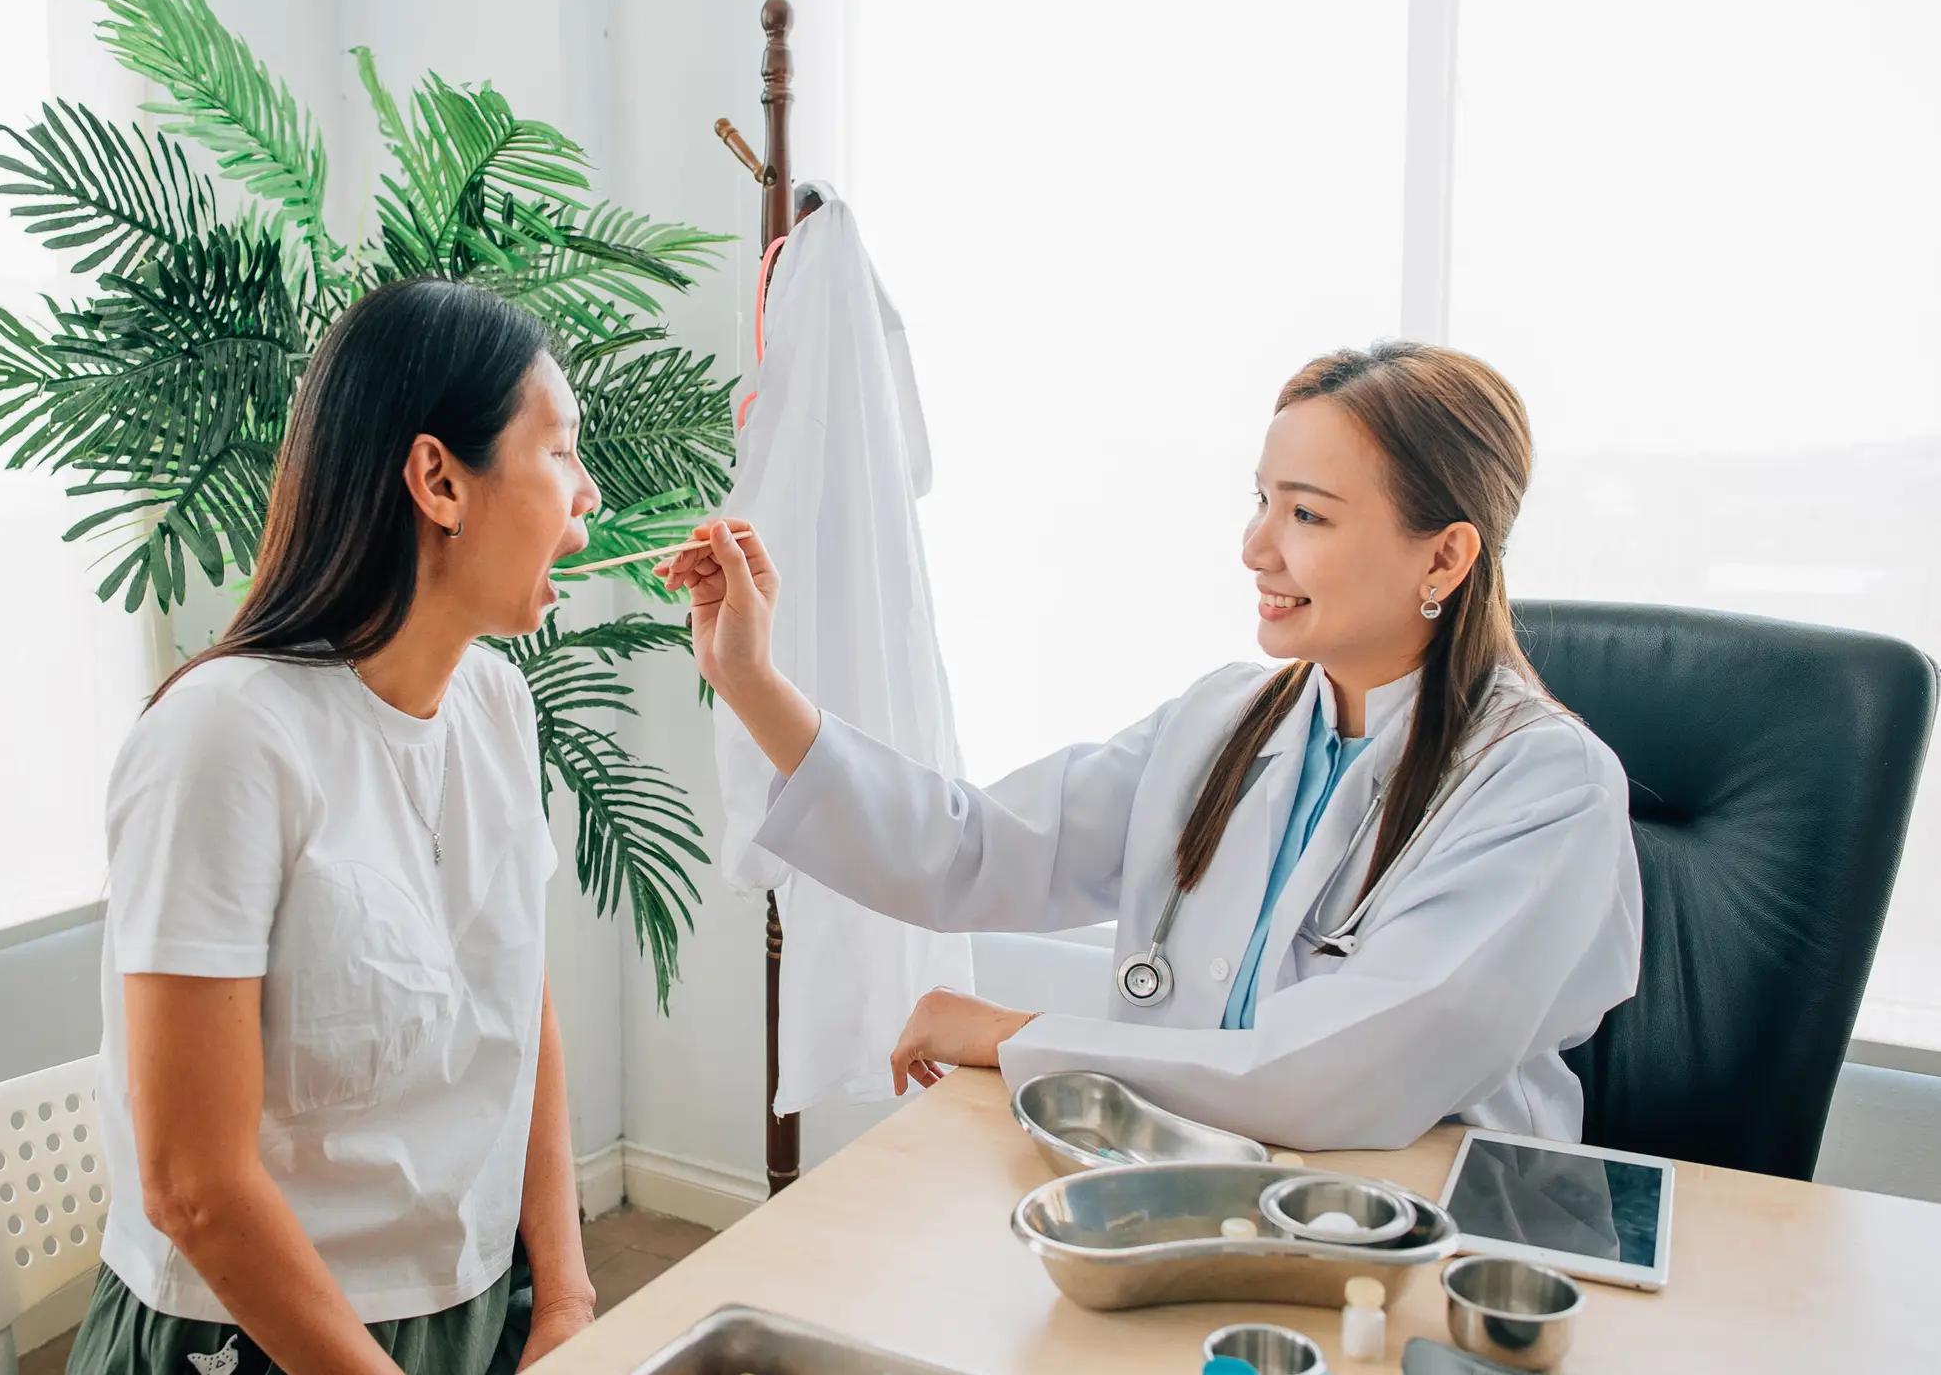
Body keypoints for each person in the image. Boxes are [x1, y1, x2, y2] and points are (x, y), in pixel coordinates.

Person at [658, 341, 1643, 1151]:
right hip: (1182, 1178)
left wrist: (1018, 1036)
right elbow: (975, 849)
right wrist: (752, 679)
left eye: (1306, 513)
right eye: (1261, 500)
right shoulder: (1224, 719)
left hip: (1419, 1226)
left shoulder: (1543, 786)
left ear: (1444, 555)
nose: (1256, 547)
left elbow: (1346, 1073)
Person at [69, 279, 601, 1375]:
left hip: (468, 1308)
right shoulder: (224, 741)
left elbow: (519, 1010)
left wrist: (563, 1296)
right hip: (254, 1342)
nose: (586, 495)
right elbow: (192, 1184)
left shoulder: (498, 705)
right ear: (439, 480)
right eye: (558, 454)